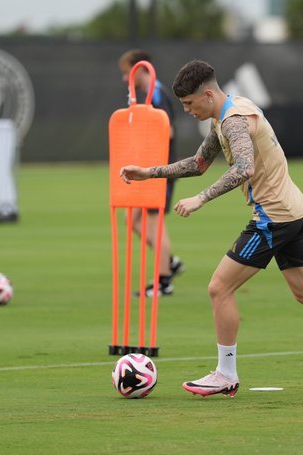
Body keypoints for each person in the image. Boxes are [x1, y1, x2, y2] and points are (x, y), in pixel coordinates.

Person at [119, 59, 303, 397]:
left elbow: (244, 169)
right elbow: (198, 163)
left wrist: (200, 199)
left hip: (274, 217)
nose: (187, 110)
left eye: (189, 104)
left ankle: (225, 374)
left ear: (207, 94)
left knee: (219, 288)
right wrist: (149, 173)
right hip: (296, 210)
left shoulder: (233, 122)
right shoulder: (230, 112)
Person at [118, 50, 184, 296]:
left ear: (140, 69)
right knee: (131, 220)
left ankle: (163, 281)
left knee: (155, 224)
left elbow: (167, 132)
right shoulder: (145, 95)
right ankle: (170, 261)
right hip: (146, 170)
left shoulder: (157, 93)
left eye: (127, 73)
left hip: (160, 169)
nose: (125, 78)